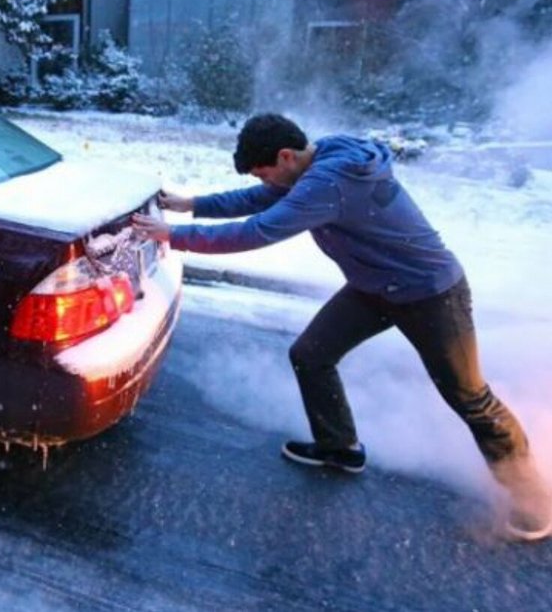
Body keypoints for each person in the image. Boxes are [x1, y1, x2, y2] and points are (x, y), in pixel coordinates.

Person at [131, 113, 550, 542]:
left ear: (286, 155)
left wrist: (172, 235)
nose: (266, 183)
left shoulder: (329, 183)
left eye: (265, 172)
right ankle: (340, 447)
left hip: (431, 294)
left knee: (469, 397)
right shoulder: (316, 161)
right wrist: (193, 205)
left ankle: (534, 500)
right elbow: (262, 199)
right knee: (310, 354)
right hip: (374, 288)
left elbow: (258, 230)